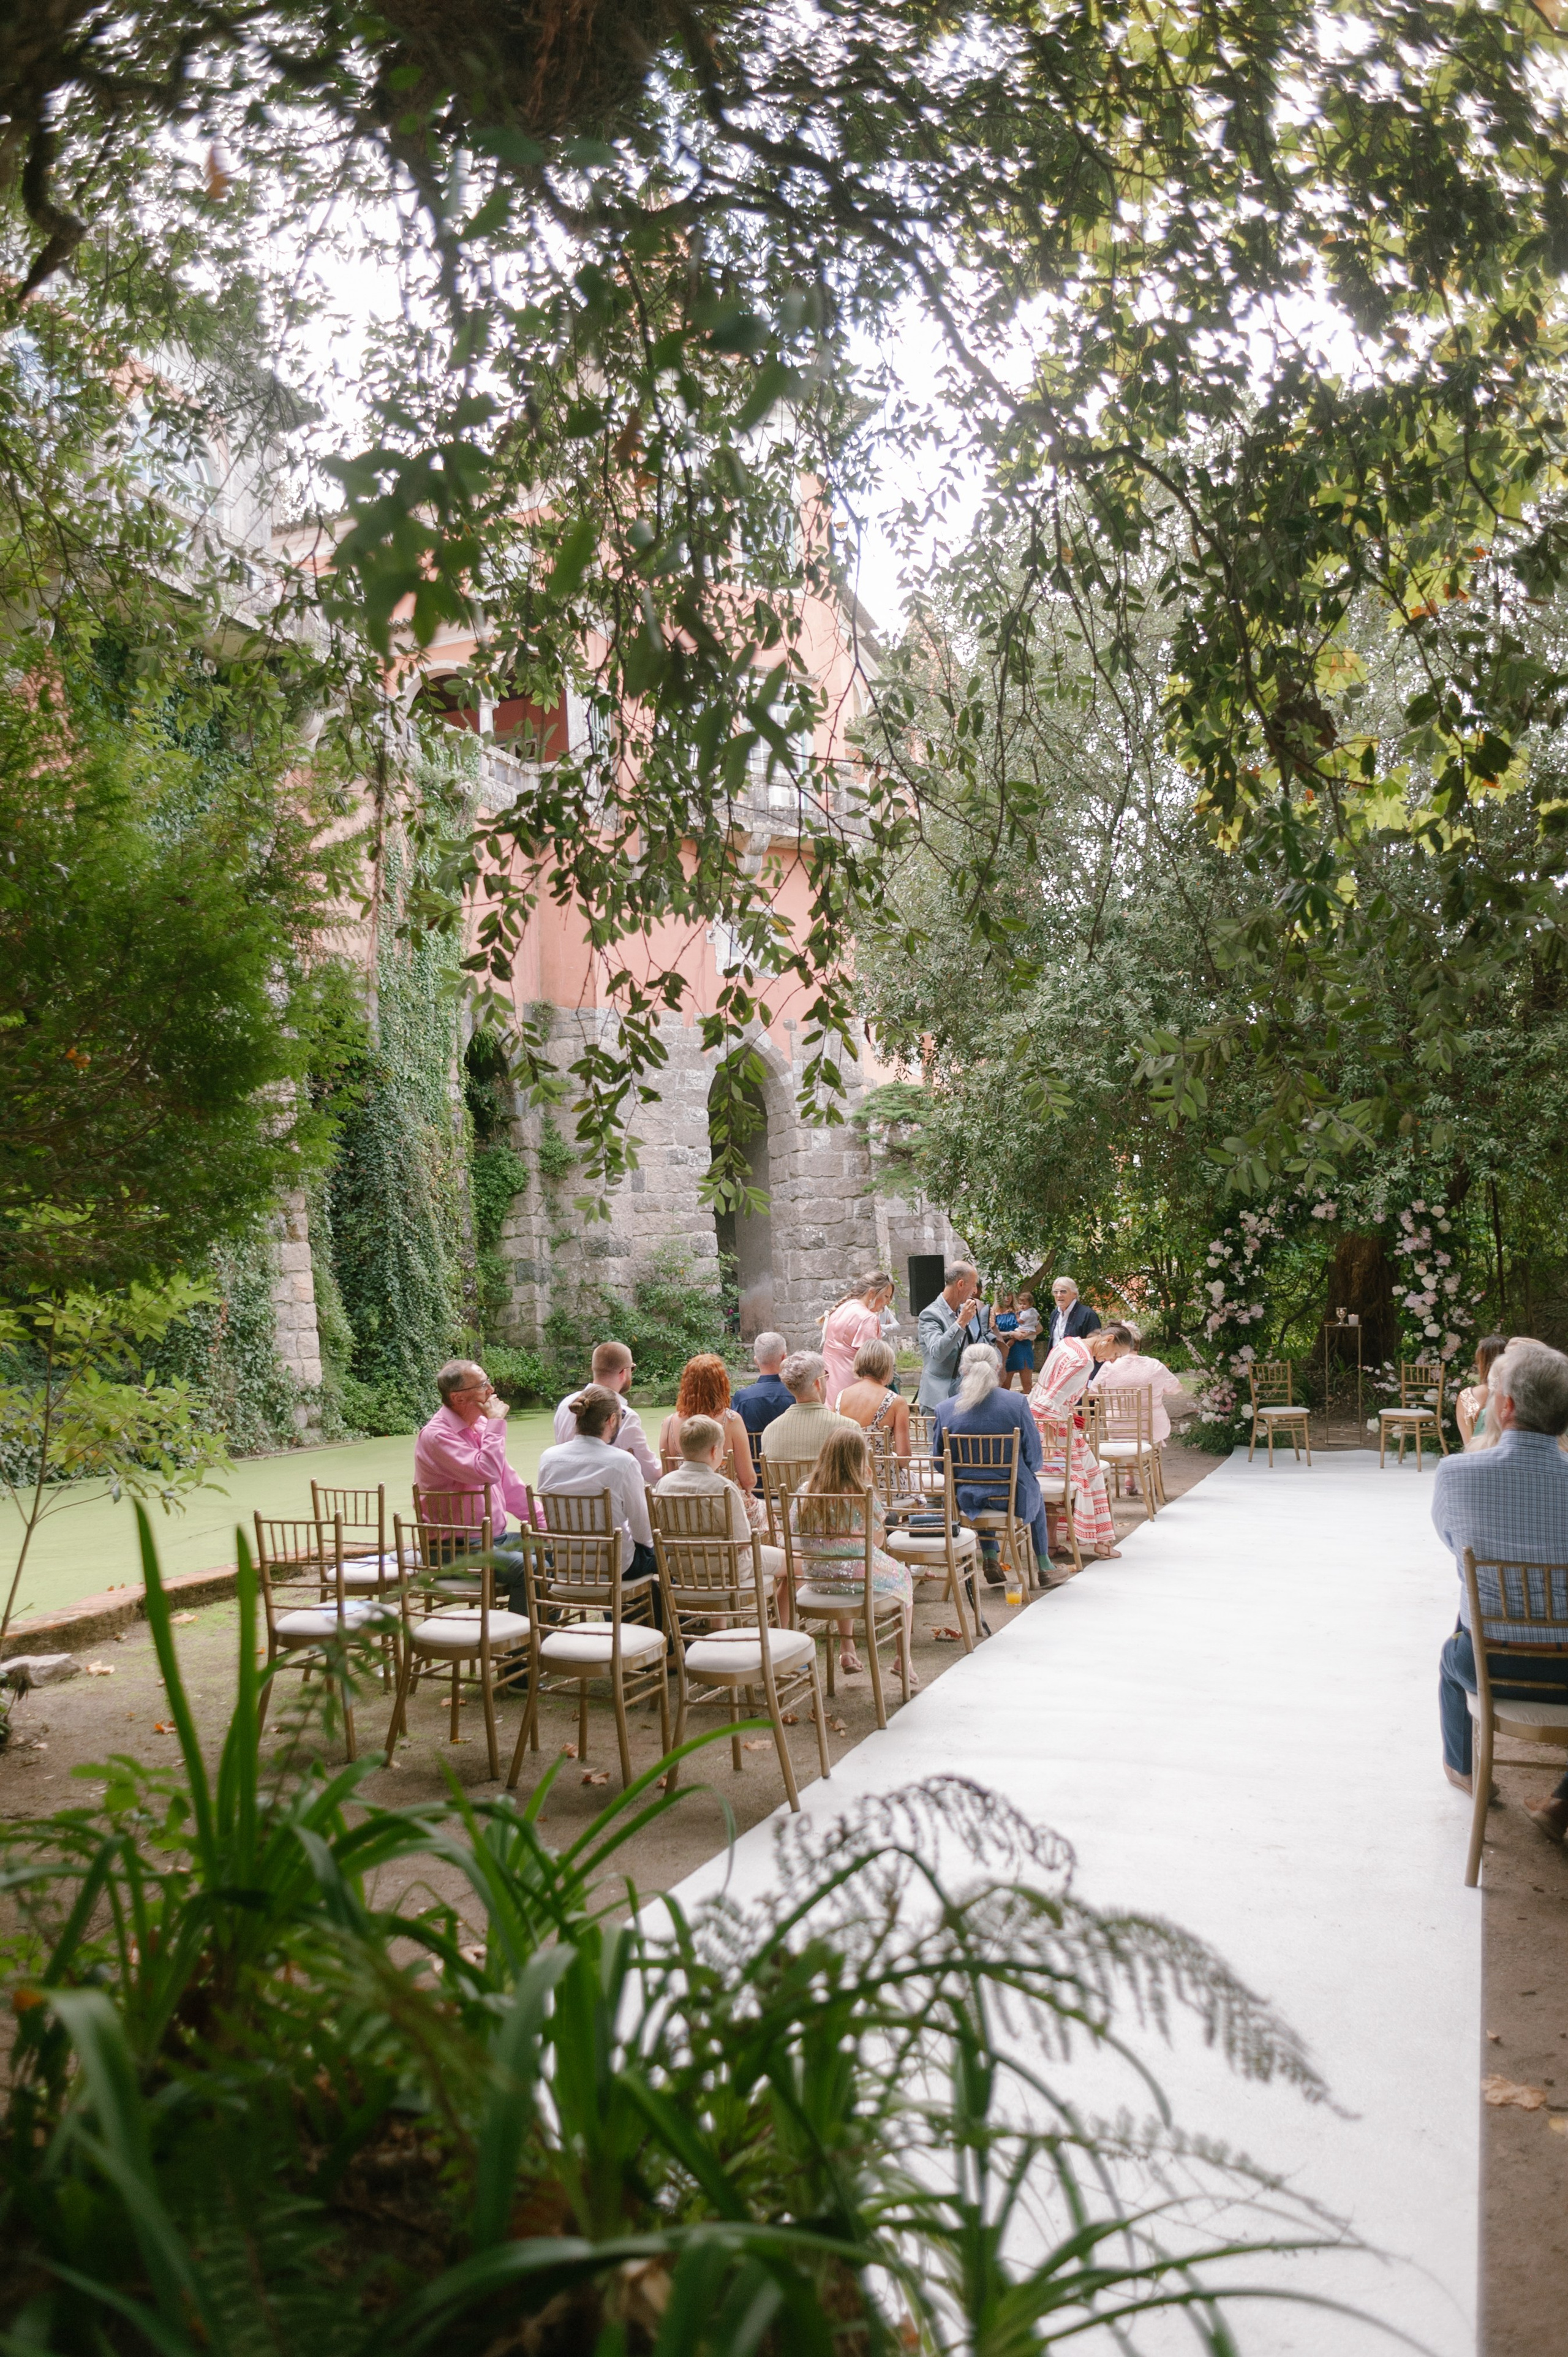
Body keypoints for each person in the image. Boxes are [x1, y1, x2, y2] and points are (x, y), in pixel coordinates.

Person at [1433, 1338, 1568, 1841]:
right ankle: (1560, 1804)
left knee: (1452, 1653)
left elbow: (1452, 1541)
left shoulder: (1457, 1473)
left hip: (1488, 1665)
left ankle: (1466, 1771)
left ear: (1505, 1405)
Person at [790, 1424, 918, 1687]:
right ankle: (903, 1659)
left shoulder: (805, 1491)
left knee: (843, 1569)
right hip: (857, 1576)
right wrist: (869, 1484)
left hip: (816, 1576)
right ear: (859, 1460)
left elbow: (794, 1533)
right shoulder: (862, 1492)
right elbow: (878, 1541)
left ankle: (847, 1649)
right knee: (903, 1576)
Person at [413, 1359, 538, 1602]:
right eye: (483, 1385)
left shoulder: (480, 1425)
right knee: (530, 1568)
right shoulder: (437, 1436)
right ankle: (524, 1640)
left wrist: (545, 1525)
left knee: (558, 1551)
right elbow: (487, 1471)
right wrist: (496, 1424)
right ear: (459, 1398)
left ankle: (538, 1636)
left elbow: (509, 1483)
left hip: (494, 1539)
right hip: (455, 1550)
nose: (491, 1390)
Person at [933, 1342, 1057, 1587]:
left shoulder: (945, 1409)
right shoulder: (1017, 1404)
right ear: (999, 1368)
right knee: (1036, 1492)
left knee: (979, 1488)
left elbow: (940, 1464)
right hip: (1012, 1496)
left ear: (963, 1370)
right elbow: (1034, 1458)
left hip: (967, 1498)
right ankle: (1044, 1565)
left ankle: (990, 1556)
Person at [536, 1383, 657, 1593]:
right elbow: (643, 1532)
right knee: (669, 1555)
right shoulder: (623, 1463)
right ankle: (670, 1622)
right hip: (615, 1568)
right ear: (612, 1420)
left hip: (566, 1565)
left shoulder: (548, 1458)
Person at [653, 1413, 785, 1584]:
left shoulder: (663, 1485)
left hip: (682, 1570)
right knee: (795, 1563)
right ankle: (780, 1611)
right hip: (729, 1569)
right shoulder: (724, 1488)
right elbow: (743, 1541)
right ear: (715, 1451)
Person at [1029, 1325, 1122, 1560]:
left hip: (1038, 1418)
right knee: (1091, 1476)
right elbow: (1049, 1403)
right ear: (1108, 1339)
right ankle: (1101, 1541)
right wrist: (1054, 1437)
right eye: (1115, 1353)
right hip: (1051, 1425)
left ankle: (1052, 1544)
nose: (1112, 1360)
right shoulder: (1084, 1362)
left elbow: (1049, 1391)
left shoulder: (1069, 1342)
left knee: (1063, 1479)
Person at [658, 1353, 763, 1526]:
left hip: (684, 1514)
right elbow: (749, 1481)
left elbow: (667, 1475)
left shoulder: (669, 1423)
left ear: (686, 1385)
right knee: (770, 1522)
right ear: (721, 1384)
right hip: (727, 1510)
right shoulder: (732, 1420)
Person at [552, 1339, 659, 1483]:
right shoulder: (625, 1415)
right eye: (632, 1368)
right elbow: (652, 1474)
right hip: (609, 1498)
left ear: (593, 1368)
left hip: (568, 1499)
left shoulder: (566, 1404)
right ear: (624, 1372)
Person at [1092, 1323, 1186, 1442]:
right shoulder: (1155, 1365)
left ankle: (1131, 1459)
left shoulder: (1109, 1366)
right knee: (1155, 1432)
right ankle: (1148, 1457)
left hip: (1116, 1428)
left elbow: (1094, 1392)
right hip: (1152, 1428)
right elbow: (1177, 1388)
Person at [760, 1351, 856, 1464]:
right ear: (817, 1383)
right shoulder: (849, 1428)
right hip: (828, 1483)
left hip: (787, 1483)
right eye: (825, 1376)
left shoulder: (770, 1432)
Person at [820, 1272, 894, 1404]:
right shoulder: (868, 1319)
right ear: (872, 1293)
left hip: (829, 1382)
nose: (887, 1302)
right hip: (852, 1384)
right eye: (886, 1296)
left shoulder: (842, 1308)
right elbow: (872, 1365)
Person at [916, 1261, 981, 1408]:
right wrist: (960, 1323)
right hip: (937, 1401)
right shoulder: (930, 1315)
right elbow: (938, 1353)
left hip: (966, 1397)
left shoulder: (968, 1310)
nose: (975, 1291)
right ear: (961, 1284)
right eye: (974, 1285)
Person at [834, 1338, 911, 1459]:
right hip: (882, 1474)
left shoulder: (841, 1396)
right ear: (887, 1366)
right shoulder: (896, 1402)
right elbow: (904, 1458)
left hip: (847, 1473)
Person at [731, 1331, 792, 1445]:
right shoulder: (796, 1394)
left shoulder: (742, 1398)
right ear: (784, 1358)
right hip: (790, 1460)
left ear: (756, 1361)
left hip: (754, 1461)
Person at [1457, 1334, 1509, 1448]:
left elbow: (1468, 1445)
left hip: (1476, 1461)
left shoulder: (1466, 1397)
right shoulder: (1516, 1397)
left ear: (1482, 1364)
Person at [1046, 1278, 1101, 1353]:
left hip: (1079, 1363)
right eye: (1056, 1292)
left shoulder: (1088, 1315)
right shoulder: (1055, 1314)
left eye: (1063, 1291)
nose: (1059, 1295)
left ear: (1074, 1294)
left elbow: (1096, 1345)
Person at [1013, 1288, 1042, 1381]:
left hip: (1025, 1331)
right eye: (1021, 1304)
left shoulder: (1025, 1313)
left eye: (1024, 1304)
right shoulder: (1033, 1311)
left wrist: (1017, 1316)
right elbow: (1038, 1317)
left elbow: (1020, 1321)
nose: (1022, 1306)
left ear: (1030, 1304)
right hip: (1031, 1330)